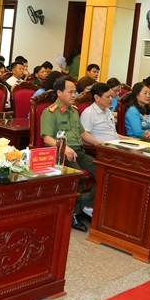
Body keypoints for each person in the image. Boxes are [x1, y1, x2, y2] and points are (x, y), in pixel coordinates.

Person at [40, 77, 101, 231]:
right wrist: (63, 147)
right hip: (60, 154)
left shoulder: (74, 111)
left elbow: (82, 133)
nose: (74, 94)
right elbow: (47, 138)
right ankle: (74, 213)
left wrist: (101, 144)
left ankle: (88, 207)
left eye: (75, 91)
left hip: (79, 151)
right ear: (59, 92)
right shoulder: (50, 112)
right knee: (78, 175)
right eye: (71, 91)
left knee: (103, 171)